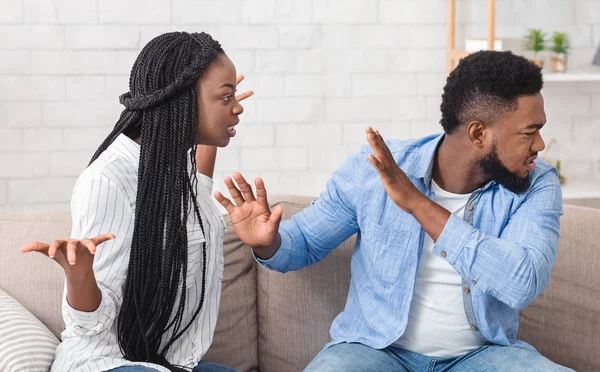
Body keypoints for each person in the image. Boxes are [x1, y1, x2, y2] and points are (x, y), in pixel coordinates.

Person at [215, 50, 572, 371]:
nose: (540, 144)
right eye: (530, 132)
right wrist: (267, 242)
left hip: (484, 356)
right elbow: (305, 241)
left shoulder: (537, 184)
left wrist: (418, 204)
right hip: (375, 352)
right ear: (478, 134)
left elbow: (522, 281)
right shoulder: (376, 171)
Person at [20, 31, 252, 372]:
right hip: (105, 364)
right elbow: (92, 328)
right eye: (226, 96)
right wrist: (80, 275)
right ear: (183, 100)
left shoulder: (173, 170)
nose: (238, 106)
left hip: (167, 363)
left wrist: (216, 107)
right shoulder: (108, 180)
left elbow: (199, 188)